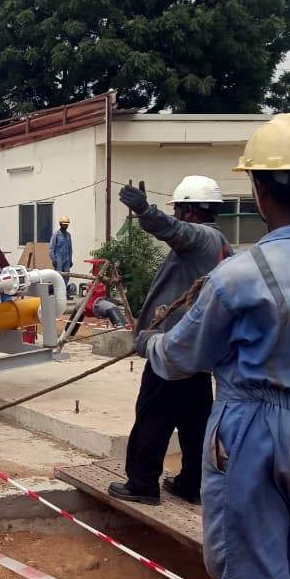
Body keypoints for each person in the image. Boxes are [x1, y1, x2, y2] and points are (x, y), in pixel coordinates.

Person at [143, 115, 290, 579]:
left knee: (251, 549)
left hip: (255, 425)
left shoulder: (239, 275)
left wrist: (149, 344)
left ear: (258, 191)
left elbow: (183, 356)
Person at [107, 176, 231, 506]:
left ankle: (142, 484)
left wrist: (146, 211)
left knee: (153, 416)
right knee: (195, 423)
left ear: (189, 211)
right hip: (197, 353)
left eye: (177, 209)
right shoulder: (220, 245)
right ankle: (193, 484)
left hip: (172, 352)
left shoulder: (201, 237)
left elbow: (174, 231)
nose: (175, 215)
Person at [49, 217, 73, 285]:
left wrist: (70, 260)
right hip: (58, 258)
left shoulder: (68, 235)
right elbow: (51, 249)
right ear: (60, 224)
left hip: (67, 259)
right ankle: (57, 292)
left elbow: (70, 249)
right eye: (64, 224)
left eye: (67, 225)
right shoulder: (56, 235)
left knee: (66, 275)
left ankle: (64, 291)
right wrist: (53, 260)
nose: (65, 226)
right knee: (58, 276)